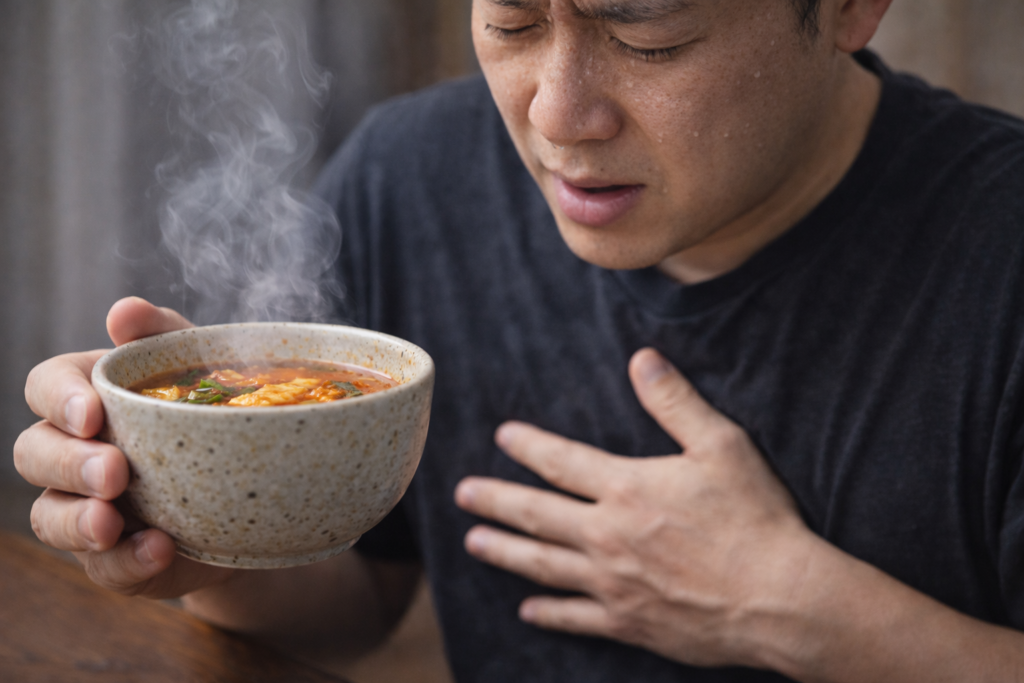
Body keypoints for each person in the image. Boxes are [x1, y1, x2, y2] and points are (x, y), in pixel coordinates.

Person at [14, 0, 1024, 680]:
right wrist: (196, 531)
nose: (555, 113)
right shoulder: (411, 177)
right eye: (509, 21)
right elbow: (359, 600)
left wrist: (795, 608)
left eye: (648, 37)